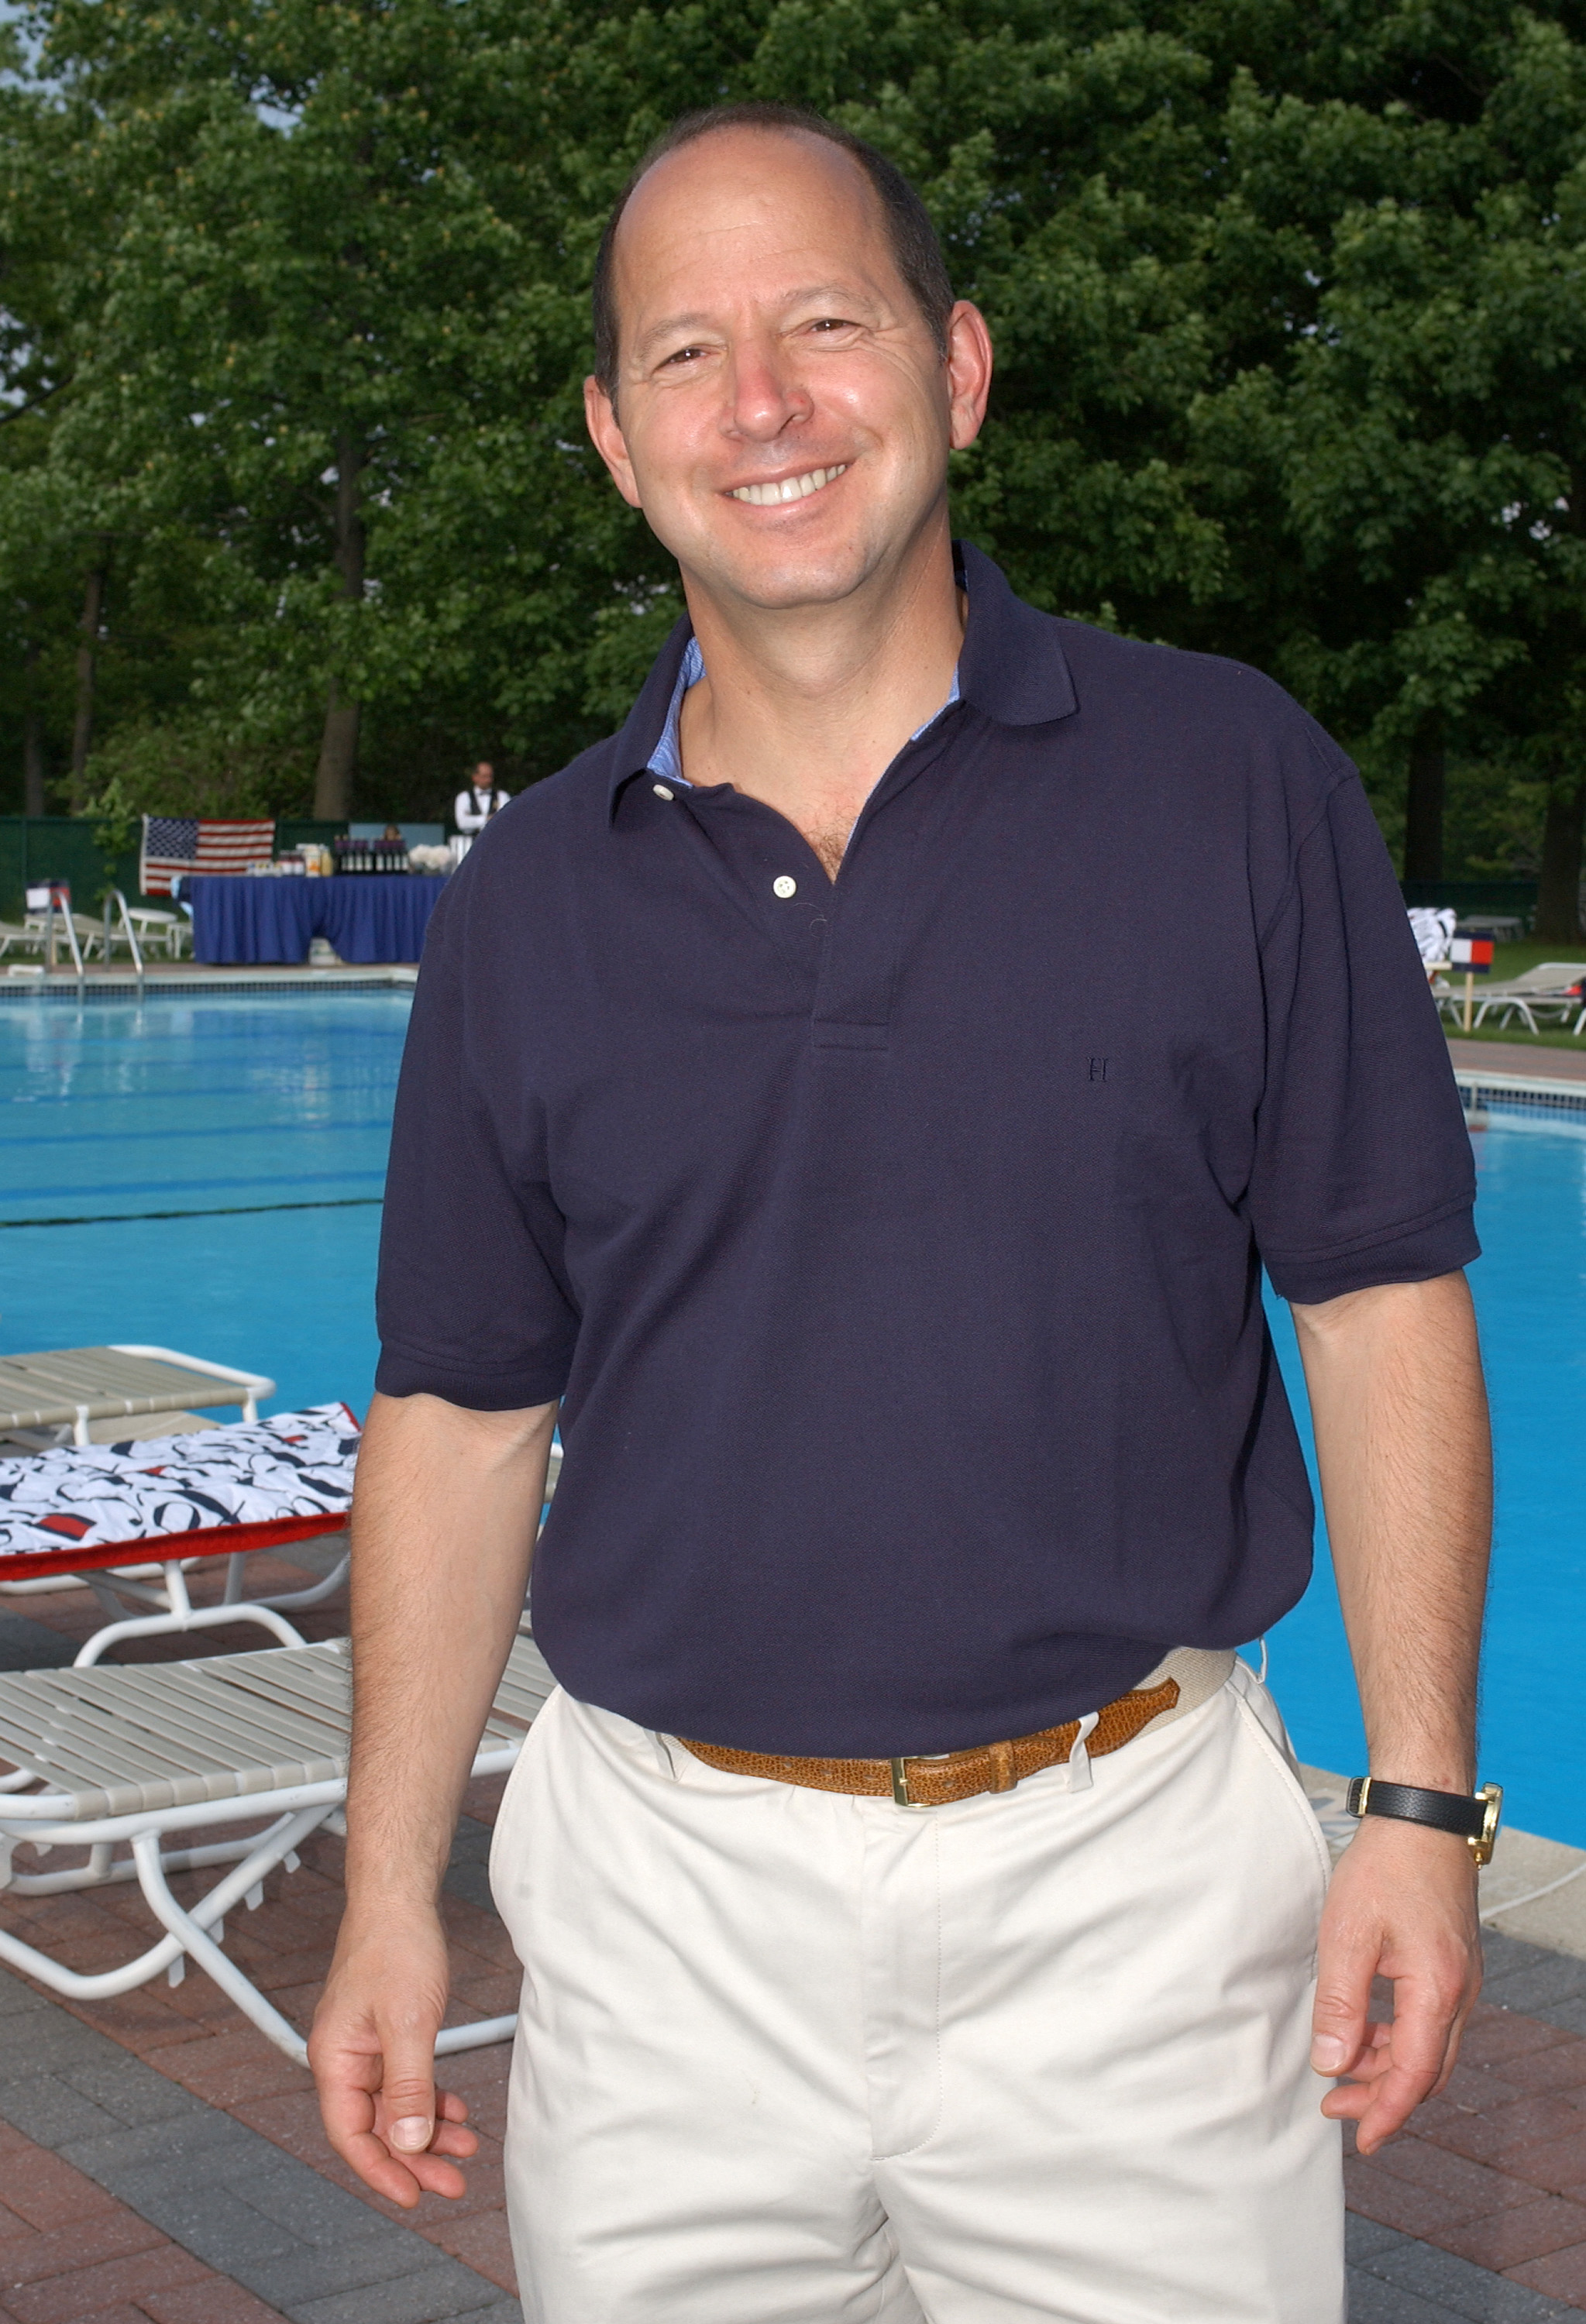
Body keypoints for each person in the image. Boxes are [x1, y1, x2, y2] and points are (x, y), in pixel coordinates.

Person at [310, 101, 1492, 2324]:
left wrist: (1417, 1813)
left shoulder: (1230, 782)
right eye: (682, 354)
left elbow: (1371, 1299)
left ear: (953, 370)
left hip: (1127, 1894)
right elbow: (460, 1417)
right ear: (608, 435)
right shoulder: (527, 902)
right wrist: (391, 1888)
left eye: (820, 325)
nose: (757, 406)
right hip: (662, 1918)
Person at [453, 761, 509, 834]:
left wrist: (472, 821)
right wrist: (487, 819)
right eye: (485, 776)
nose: (489, 780)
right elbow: (462, 824)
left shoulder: (502, 796)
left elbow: (506, 821)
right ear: (475, 777)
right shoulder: (464, 797)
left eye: (490, 776)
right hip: (472, 842)